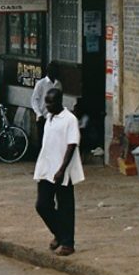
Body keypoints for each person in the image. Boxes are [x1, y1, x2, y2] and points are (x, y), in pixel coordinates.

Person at [34, 88, 84, 256]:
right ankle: (59, 233)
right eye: (46, 102)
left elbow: (72, 145)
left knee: (65, 206)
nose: (47, 106)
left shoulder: (69, 119)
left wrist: (62, 169)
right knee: (42, 205)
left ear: (60, 101)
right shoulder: (49, 118)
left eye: (51, 102)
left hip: (63, 170)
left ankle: (68, 243)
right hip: (46, 168)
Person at [31, 61, 62, 155]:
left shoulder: (58, 84)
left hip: (54, 117)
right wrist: (39, 114)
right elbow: (34, 100)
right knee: (43, 141)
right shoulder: (41, 84)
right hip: (43, 117)